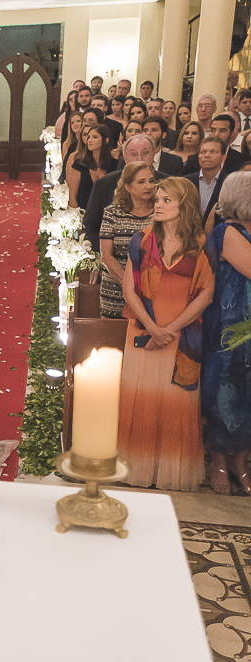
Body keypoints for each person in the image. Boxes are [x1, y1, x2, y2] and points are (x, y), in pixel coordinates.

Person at [119, 176, 214, 492]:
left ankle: (169, 472)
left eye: (166, 200)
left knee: (175, 405)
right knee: (141, 401)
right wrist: (152, 328)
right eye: (157, 199)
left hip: (181, 338)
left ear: (184, 205)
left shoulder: (201, 245)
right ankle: (137, 468)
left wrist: (169, 331)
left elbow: (206, 294)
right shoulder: (141, 240)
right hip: (143, 332)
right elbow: (129, 290)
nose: (157, 204)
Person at [201, 172, 251, 495]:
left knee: (249, 393)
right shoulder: (227, 231)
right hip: (229, 328)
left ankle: (240, 461)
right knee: (226, 392)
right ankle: (218, 460)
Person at [83, 134, 162, 250]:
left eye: (145, 153)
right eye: (134, 154)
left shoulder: (166, 183)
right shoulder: (104, 184)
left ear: (153, 154)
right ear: (125, 158)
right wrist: (101, 254)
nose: (140, 158)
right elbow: (91, 225)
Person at [99, 162, 156, 318]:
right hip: (116, 290)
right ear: (128, 187)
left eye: (151, 181)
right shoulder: (112, 213)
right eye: (141, 182)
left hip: (152, 291)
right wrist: (129, 285)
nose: (148, 186)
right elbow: (106, 255)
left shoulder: (159, 212)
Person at [184, 136, 227, 225]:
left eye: (213, 152)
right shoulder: (186, 181)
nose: (207, 155)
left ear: (223, 158)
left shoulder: (229, 183)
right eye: (203, 152)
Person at [67, 124, 112, 208]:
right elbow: (72, 197)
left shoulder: (114, 164)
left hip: (107, 213)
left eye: (95, 137)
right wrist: (78, 214)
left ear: (106, 140)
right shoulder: (79, 164)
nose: (90, 140)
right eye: (88, 137)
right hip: (83, 211)